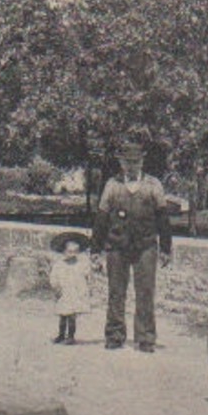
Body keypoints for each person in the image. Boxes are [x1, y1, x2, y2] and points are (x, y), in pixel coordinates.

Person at [91, 141, 173, 352]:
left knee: (145, 292)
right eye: (127, 162)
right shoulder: (112, 185)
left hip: (146, 246)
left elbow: (163, 218)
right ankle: (115, 335)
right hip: (117, 246)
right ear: (121, 163)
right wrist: (95, 249)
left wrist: (165, 248)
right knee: (116, 292)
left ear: (142, 161)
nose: (131, 166)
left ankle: (146, 337)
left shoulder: (153, 185)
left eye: (135, 162)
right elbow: (101, 219)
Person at [48, 234, 92, 345]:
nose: (72, 255)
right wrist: (56, 287)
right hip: (64, 293)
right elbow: (54, 277)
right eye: (69, 251)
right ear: (64, 251)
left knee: (72, 316)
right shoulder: (59, 265)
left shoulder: (80, 264)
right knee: (63, 315)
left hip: (75, 293)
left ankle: (71, 336)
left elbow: (87, 273)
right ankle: (61, 334)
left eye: (75, 252)